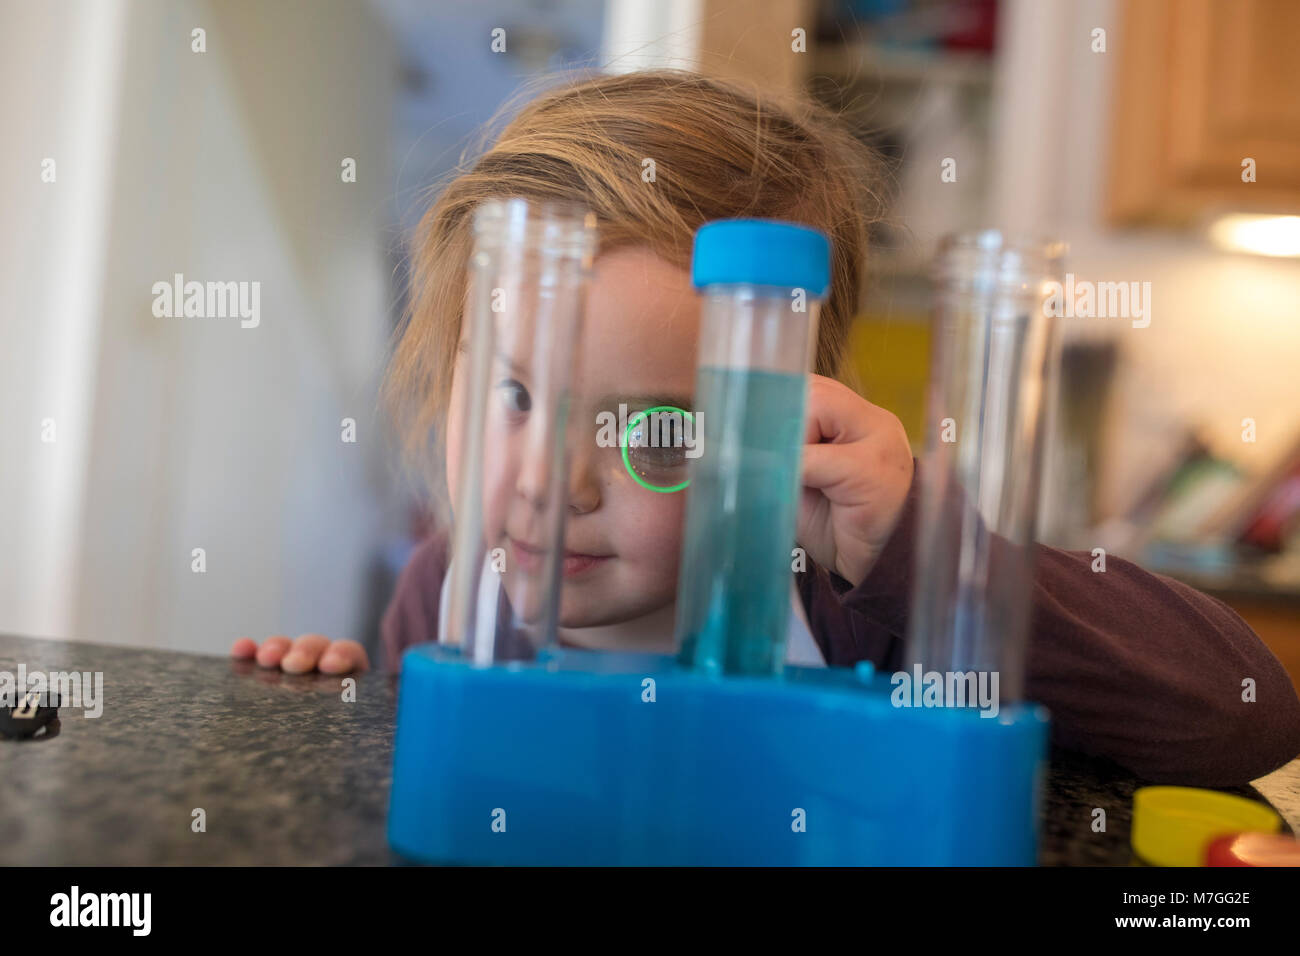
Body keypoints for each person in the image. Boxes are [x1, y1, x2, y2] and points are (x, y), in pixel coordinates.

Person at [233, 69, 1300, 787]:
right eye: (516, 396)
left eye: (656, 432)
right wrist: (343, 708)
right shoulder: (444, 593)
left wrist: (924, 554)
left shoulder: (850, 605)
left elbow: (1245, 713)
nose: (557, 484)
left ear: (789, 434)